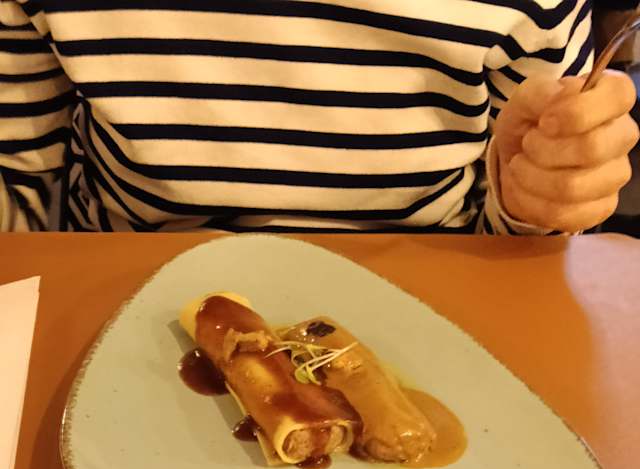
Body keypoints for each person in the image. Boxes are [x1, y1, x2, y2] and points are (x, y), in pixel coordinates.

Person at [0, 0, 637, 235]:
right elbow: (24, 193)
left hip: (440, 295)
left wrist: (534, 205)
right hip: (118, 295)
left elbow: (532, 241)